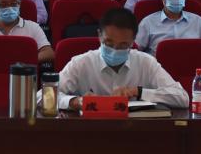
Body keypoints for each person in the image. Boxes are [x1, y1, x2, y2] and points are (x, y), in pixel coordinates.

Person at [55, 8, 189, 110]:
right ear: (99, 36)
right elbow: (46, 95)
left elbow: (182, 98)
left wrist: (138, 92)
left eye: (123, 45)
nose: (114, 50)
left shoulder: (146, 62)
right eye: (109, 43)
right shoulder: (81, 63)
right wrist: (75, 101)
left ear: (133, 41)